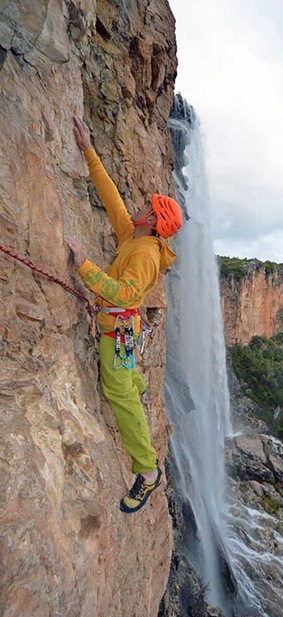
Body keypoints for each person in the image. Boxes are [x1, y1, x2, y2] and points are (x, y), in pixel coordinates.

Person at [65, 116, 182, 513]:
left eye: (145, 207)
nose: (138, 206)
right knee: (128, 380)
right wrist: (88, 151)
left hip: (118, 330)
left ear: (152, 221)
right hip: (125, 332)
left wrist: (84, 266)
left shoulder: (146, 255)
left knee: (120, 397)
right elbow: (113, 199)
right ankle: (135, 381)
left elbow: (127, 292)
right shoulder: (135, 236)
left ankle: (147, 474)